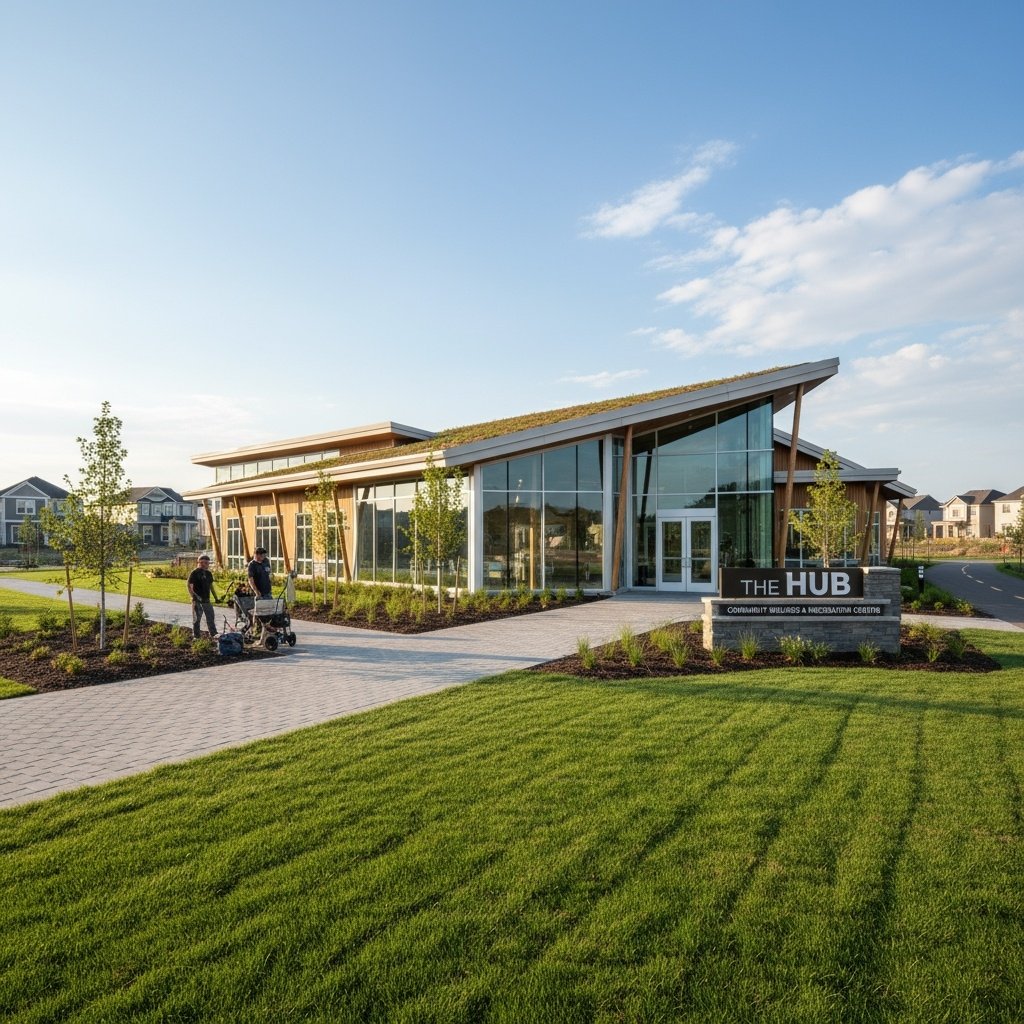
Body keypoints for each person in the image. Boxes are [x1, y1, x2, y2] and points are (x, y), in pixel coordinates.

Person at [187, 554, 219, 640]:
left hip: (206, 599)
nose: (205, 565)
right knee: (197, 619)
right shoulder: (194, 573)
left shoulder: (208, 573)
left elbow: (211, 586)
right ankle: (196, 636)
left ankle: (213, 633)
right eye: (203, 563)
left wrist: (216, 598)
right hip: (197, 600)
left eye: (207, 563)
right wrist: (193, 596)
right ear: (199, 562)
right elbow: (189, 586)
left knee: (210, 617)